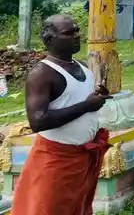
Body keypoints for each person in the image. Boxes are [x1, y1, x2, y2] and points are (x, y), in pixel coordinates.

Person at [11, 14, 111, 215]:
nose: (76, 35)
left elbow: (76, 101)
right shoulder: (42, 73)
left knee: (77, 208)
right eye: (68, 33)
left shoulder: (82, 66)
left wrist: (96, 98)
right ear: (49, 39)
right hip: (55, 161)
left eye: (77, 30)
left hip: (82, 158)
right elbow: (37, 121)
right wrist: (86, 106)